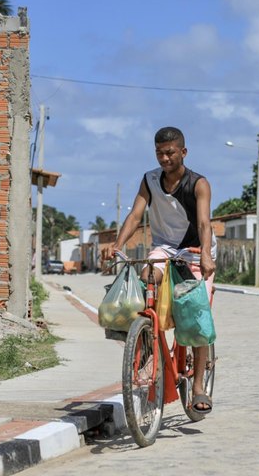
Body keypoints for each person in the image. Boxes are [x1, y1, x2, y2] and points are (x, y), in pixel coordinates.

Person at [101, 126, 217, 414]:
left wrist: (204, 254)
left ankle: (199, 387)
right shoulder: (150, 180)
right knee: (145, 280)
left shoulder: (198, 183)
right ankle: (147, 340)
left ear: (183, 152)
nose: (164, 159)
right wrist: (118, 245)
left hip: (193, 250)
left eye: (170, 153)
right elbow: (135, 214)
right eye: (159, 153)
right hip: (164, 248)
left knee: (195, 316)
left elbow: (204, 223)